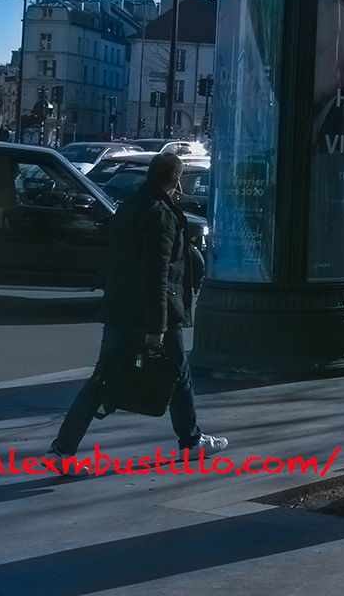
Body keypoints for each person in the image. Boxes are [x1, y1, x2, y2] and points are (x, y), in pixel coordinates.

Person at [51, 152, 224, 462]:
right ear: (174, 179)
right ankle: (191, 440)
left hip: (120, 308)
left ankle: (62, 448)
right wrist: (156, 326)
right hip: (152, 313)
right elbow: (156, 273)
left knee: (103, 378)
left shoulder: (130, 206)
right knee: (178, 373)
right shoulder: (160, 214)